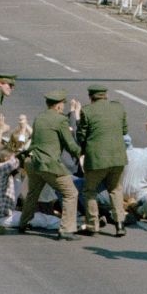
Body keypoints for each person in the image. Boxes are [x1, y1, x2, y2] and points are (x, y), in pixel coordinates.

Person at [17, 90, 83, 240]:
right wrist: (82, 152)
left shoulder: (40, 117)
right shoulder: (60, 120)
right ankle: (66, 229)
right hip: (49, 164)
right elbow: (70, 144)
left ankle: (23, 222)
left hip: (33, 161)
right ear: (59, 106)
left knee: (33, 193)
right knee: (70, 193)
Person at [75, 84, 129, 237]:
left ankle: (93, 224)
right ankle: (120, 224)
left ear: (91, 97)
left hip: (97, 159)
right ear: (106, 95)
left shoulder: (87, 110)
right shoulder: (118, 108)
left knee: (89, 190)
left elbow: (81, 136)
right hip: (118, 157)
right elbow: (124, 130)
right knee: (115, 189)